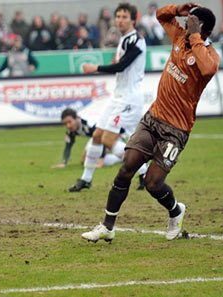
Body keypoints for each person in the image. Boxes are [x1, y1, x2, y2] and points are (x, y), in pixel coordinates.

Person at [81, 3, 219, 243]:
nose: (185, 25)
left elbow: (207, 69)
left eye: (191, 22)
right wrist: (180, 8)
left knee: (153, 183)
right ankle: (107, 227)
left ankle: (176, 211)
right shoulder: (178, 36)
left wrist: (196, 36)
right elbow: (160, 15)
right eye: (187, 21)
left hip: (176, 131)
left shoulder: (208, 54)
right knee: (126, 168)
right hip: (152, 119)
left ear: (202, 28)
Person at [69, 3, 148, 192]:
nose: (120, 20)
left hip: (129, 98)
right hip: (117, 96)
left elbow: (121, 66)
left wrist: (94, 68)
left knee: (108, 140)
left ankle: (144, 171)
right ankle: (86, 179)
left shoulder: (137, 40)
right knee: (97, 135)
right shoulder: (123, 40)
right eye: (118, 16)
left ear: (133, 20)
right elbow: (120, 65)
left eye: (124, 17)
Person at [52, 108, 145, 190]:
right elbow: (68, 145)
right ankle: (121, 160)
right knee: (85, 159)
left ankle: (142, 170)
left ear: (76, 118)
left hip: (118, 131)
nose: (68, 125)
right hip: (105, 133)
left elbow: (102, 137)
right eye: (65, 123)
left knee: (99, 144)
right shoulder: (70, 131)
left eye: (69, 122)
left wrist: (100, 158)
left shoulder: (88, 123)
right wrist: (64, 162)